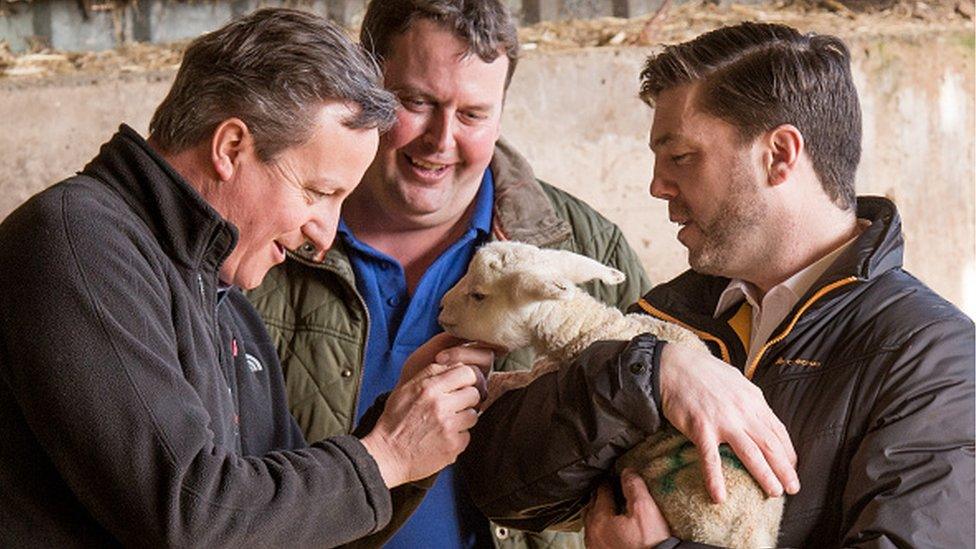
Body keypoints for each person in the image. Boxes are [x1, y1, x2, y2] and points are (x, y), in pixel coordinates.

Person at [455, 21, 976, 548]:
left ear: (779, 155)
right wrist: (647, 374)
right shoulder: (669, 315)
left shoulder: (931, 357)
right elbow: (501, 490)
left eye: (680, 157)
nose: (657, 186)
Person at [0, 8, 493, 546]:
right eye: (318, 192)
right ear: (230, 147)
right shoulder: (79, 244)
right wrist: (387, 455)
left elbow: (282, 531)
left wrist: (402, 432)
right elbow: (192, 518)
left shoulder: (229, 306)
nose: (323, 235)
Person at [248, 0, 651, 547]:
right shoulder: (266, 240)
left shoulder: (585, 247)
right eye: (416, 102)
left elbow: (653, 442)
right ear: (366, 87)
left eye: (473, 115)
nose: (440, 141)